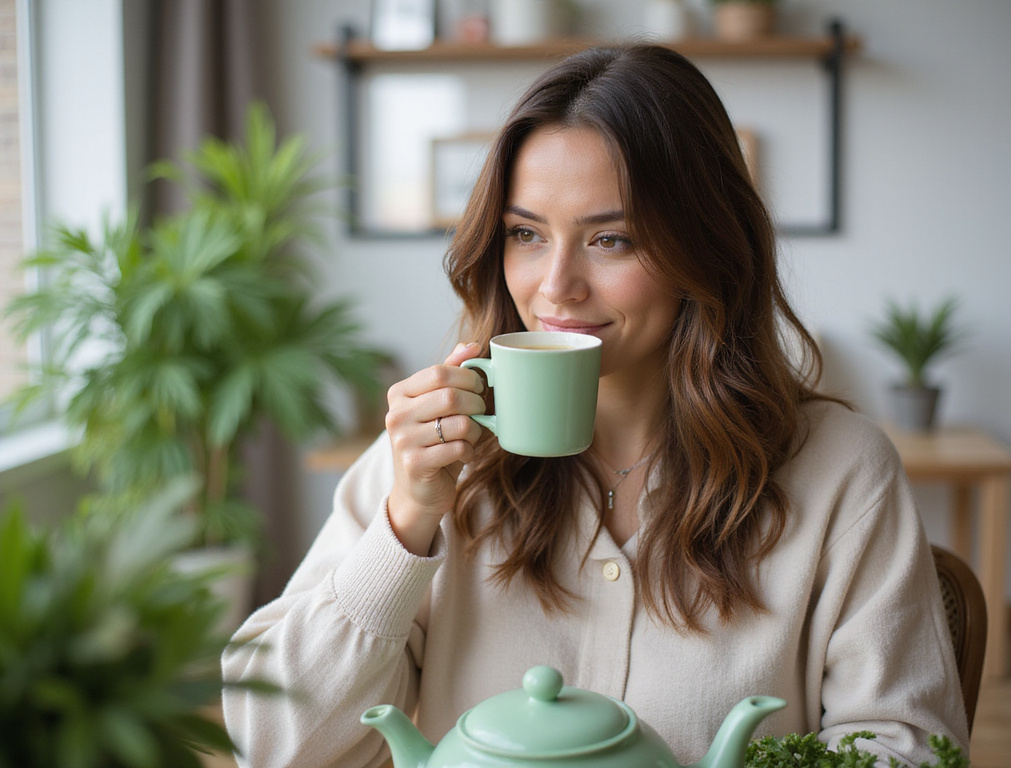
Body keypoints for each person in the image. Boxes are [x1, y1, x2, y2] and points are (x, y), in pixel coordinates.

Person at [222, 44, 968, 767]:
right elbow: (275, 744)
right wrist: (406, 525)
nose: (556, 287)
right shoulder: (426, 458)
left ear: (706, 249)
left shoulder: (841, 471)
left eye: (610, 239)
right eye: (525, 234)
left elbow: (907, 748)